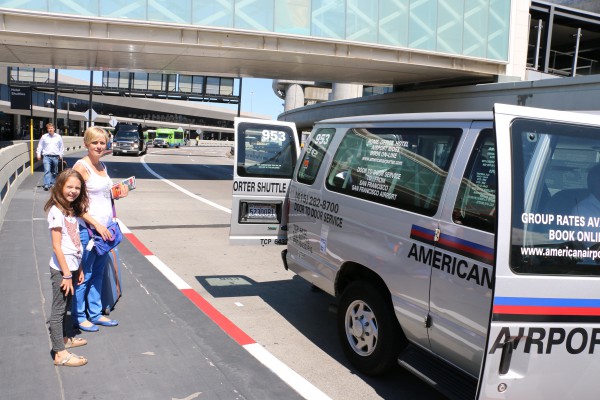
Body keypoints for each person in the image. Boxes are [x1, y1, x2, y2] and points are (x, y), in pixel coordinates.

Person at [73, 126, 128, 332]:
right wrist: (95, 224)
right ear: (86, 143)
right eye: (94, 142)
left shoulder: (102, 165)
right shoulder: (81, 167)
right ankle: (79, 317)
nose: (98, 146)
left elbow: (102, 196)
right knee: (84, 276)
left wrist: (118, 194)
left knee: (97, 274)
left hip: (105, 231)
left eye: (102, 142)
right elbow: (74, 204)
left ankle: (94, 314)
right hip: (88, 231)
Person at [44, 169, 89, 367]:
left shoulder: (70, 210)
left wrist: (77, 269)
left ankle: (64, 338)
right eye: (69, 186)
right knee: (58, 310)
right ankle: (59, 353)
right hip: (61, 271)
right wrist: (66, 275)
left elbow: (74, 243)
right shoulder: (56, 211)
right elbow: (57, 246)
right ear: (60, 186)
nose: (73, 191)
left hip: (71, 269)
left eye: (77, 188)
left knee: (67, 307)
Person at [36, 122, 64, 191]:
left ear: (54, 129)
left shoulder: (58, 137)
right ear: (47, 129)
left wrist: (61, 155)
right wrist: (38, 154)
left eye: (51, 128)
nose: (50, 129)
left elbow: (61, 147)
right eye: (49, 128)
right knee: (47, 170)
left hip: (55, 157)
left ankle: (53, 183)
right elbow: (40, 146)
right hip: (46, 156)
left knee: (54, 171)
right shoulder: (44, 137)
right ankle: (46, 184)